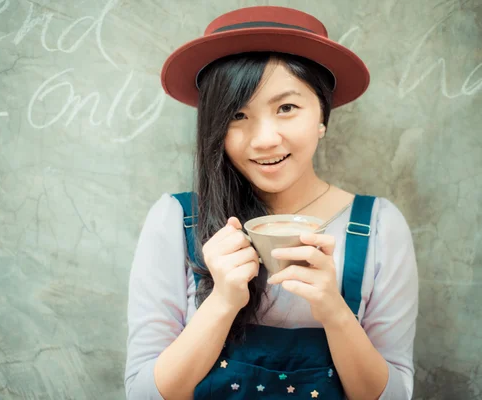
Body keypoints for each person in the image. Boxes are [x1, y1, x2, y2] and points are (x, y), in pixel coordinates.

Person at [124, 5, 418, 400]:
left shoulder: (378, 226)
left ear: (322, 115)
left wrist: (333, 311)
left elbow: (395, 395)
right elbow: (143, 394)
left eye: (286, 108)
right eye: (237, 114)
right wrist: (223, 302)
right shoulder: (177, 220)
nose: (264, 139)